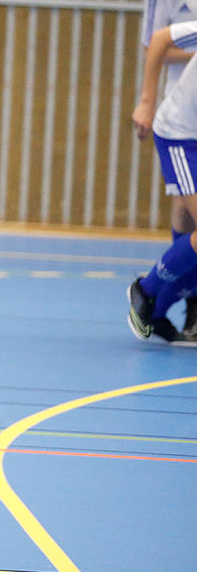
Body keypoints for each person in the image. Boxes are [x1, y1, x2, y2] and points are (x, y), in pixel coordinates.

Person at [136, 0, 197, 336]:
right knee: (187, 210)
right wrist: (145, 101)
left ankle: (163, 303)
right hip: (181, 120)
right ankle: (154, 294)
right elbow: (157, 43)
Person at [128, 18, 197, 345]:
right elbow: (158, 39)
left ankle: (159, 309)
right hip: (181, 136)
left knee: (186, 227)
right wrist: (146, 100)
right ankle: (147, 290)